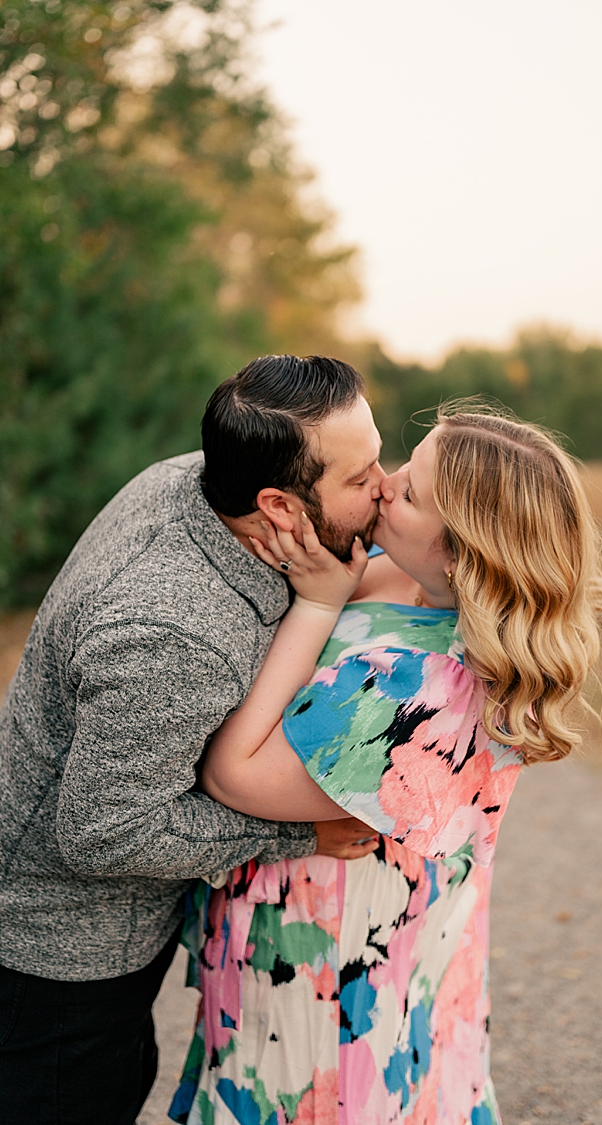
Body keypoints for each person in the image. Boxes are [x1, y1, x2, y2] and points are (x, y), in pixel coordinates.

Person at [168, 406, 602, 1122]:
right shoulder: (406, 578)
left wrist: (318, 605)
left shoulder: (426, 687)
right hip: (334, 936)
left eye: (410, 491)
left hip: (333, 973)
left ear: (464, 556)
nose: (383, 483)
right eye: (405, 463)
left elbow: (231, 775)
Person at [0, 356, 387, 1123]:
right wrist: (299, 831)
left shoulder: (201, 480)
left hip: (103, 942)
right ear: (279, 504)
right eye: (362, 476)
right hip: (59, 964)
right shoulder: (168, 629)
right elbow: (104, 834)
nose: (386, 484)